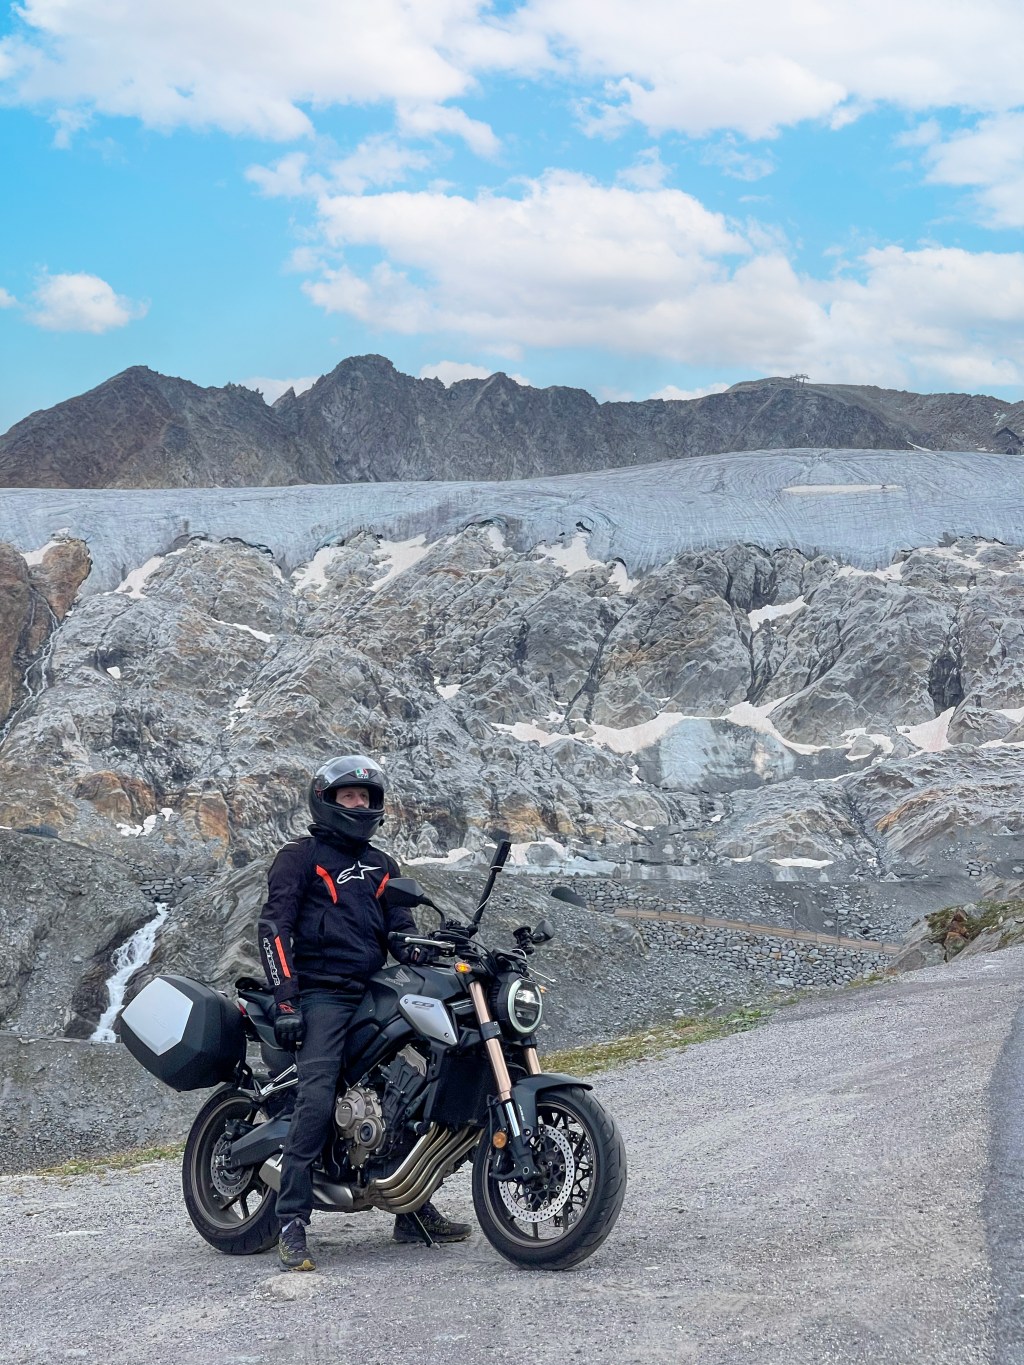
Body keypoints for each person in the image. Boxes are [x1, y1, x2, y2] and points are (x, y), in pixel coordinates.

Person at [258, 752, 471, 1272]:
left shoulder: (382, 865)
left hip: (376, 987)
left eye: (365, 797)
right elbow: (274, 928)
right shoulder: (300, 857)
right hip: (322, 994)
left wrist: (431, 945)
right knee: (317, 1093)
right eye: (348, 796)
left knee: (419, 1085)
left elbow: (400, 932)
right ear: (326, 801)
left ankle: (410, 1207)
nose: (358, 804)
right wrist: (286, 999)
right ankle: (291, 1220)